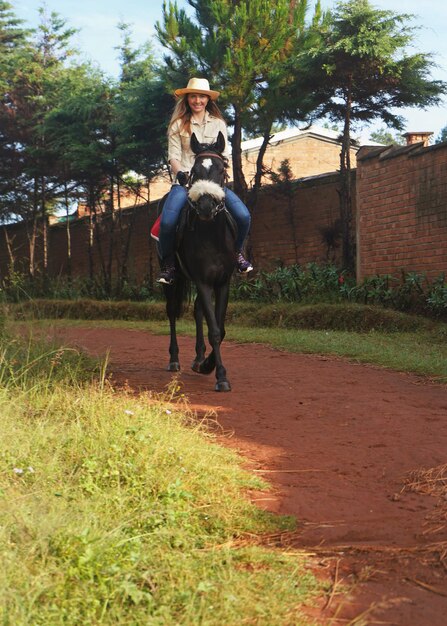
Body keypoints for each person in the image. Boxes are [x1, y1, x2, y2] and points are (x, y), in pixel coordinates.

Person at [156, 77, 253, 285]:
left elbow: (222, 156)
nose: (197, 100)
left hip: (213, 184)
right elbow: (173, 156)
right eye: (193, 96)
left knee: (244, 216)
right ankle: (169, 265)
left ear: (208, 99)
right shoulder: (177, 125)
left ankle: (237, 253)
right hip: (186, 184)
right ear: (187, 99)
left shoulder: (219, 124)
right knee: (167, 222)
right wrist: (180, 173)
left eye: (201, 96)